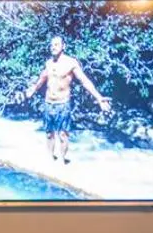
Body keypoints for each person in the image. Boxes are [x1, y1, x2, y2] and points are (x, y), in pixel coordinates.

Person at [24, 35, 111, 164]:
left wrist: (99, 98)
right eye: (52, 45)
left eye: (56, 45)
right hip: (48, 103)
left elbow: (84, 80)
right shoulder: (48, 63)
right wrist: (33, 90)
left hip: (63, 104)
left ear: (63, 46)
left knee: (63, 135)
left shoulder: (71, 63)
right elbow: (42, 79)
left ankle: (61, 160)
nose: (53, 47)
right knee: (49, 133)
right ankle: (50, 158)